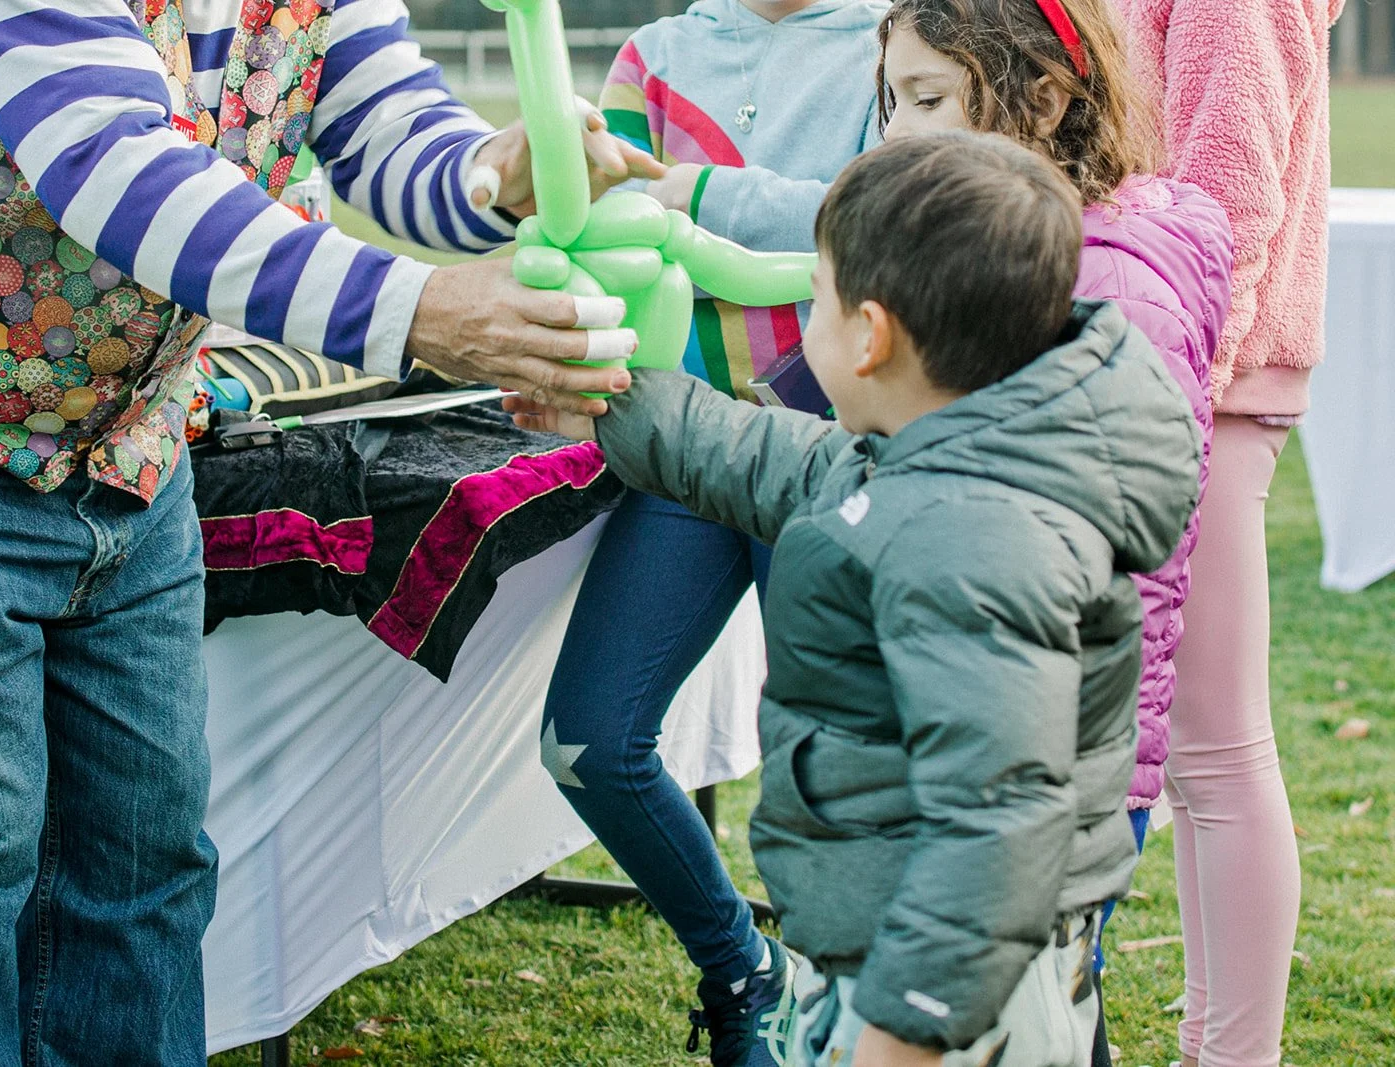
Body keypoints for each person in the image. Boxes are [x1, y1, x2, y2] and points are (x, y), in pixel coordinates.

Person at [0, 0, 662, 1062]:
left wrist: (491, 168)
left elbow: (389, 133)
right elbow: (120, 171)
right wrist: (419, 310)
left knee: (141, 874)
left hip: (132, 460)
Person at [509, 130, 1202, 1067]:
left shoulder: (974, 546)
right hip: (903, 958)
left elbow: (997, 819)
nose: (809, 321)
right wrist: (610, 402)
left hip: (949, 995)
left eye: (818, 302)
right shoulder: (934, 464)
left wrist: (906, 1025)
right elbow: (761, 458)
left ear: (869, 337)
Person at [870, 1, 1233, 1058]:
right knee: (1042, 1010)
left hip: (1053, 758)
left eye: (926, 99)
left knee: (1026, 1012)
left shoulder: (1104, 281)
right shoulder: (1007, 256)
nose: (896, 132)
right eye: (892, 99)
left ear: (1042, 99)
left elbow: (1090, 535)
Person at [534, 3, 888, 1062]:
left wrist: (689, 191)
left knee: (823, 779)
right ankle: (742, 966)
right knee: (589, 741)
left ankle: (851, 1021)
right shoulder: (655, 53)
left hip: (832, 457)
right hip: (683, 450)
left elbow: (885, 225)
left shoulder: (891, 41)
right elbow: (602, 220)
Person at [1113, 0, 1344, 1062]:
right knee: (1200, 761)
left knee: (1219, 752)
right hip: (1182, 369)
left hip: (1209, 377)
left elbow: (1229, 187)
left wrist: (1183, 387)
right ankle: (1210, 1041)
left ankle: (1232, 1052)